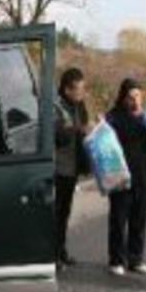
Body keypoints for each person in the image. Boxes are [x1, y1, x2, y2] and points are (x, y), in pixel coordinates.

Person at [106, 78, 146, 276]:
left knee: (139, 220)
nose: (134, 101)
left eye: (137, 96)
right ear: (123, 98)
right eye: (130, 97)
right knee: (118, 220)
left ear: (142, 97)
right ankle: (116, 260)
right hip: (120, 177)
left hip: (143, 176)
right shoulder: (113, 118)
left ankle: (135, 259)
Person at [54, 67, 90, 270]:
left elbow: (83, 131)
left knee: (65, 213)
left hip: (73, 167)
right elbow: (58, 136)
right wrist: (79, 129)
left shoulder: (79, 106)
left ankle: (62, 251)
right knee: (56, 215)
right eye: (79, 89)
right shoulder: (56, 107)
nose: (82, 93)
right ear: (67, 90)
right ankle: (54, 256)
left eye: (84, 88)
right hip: (59, 168)